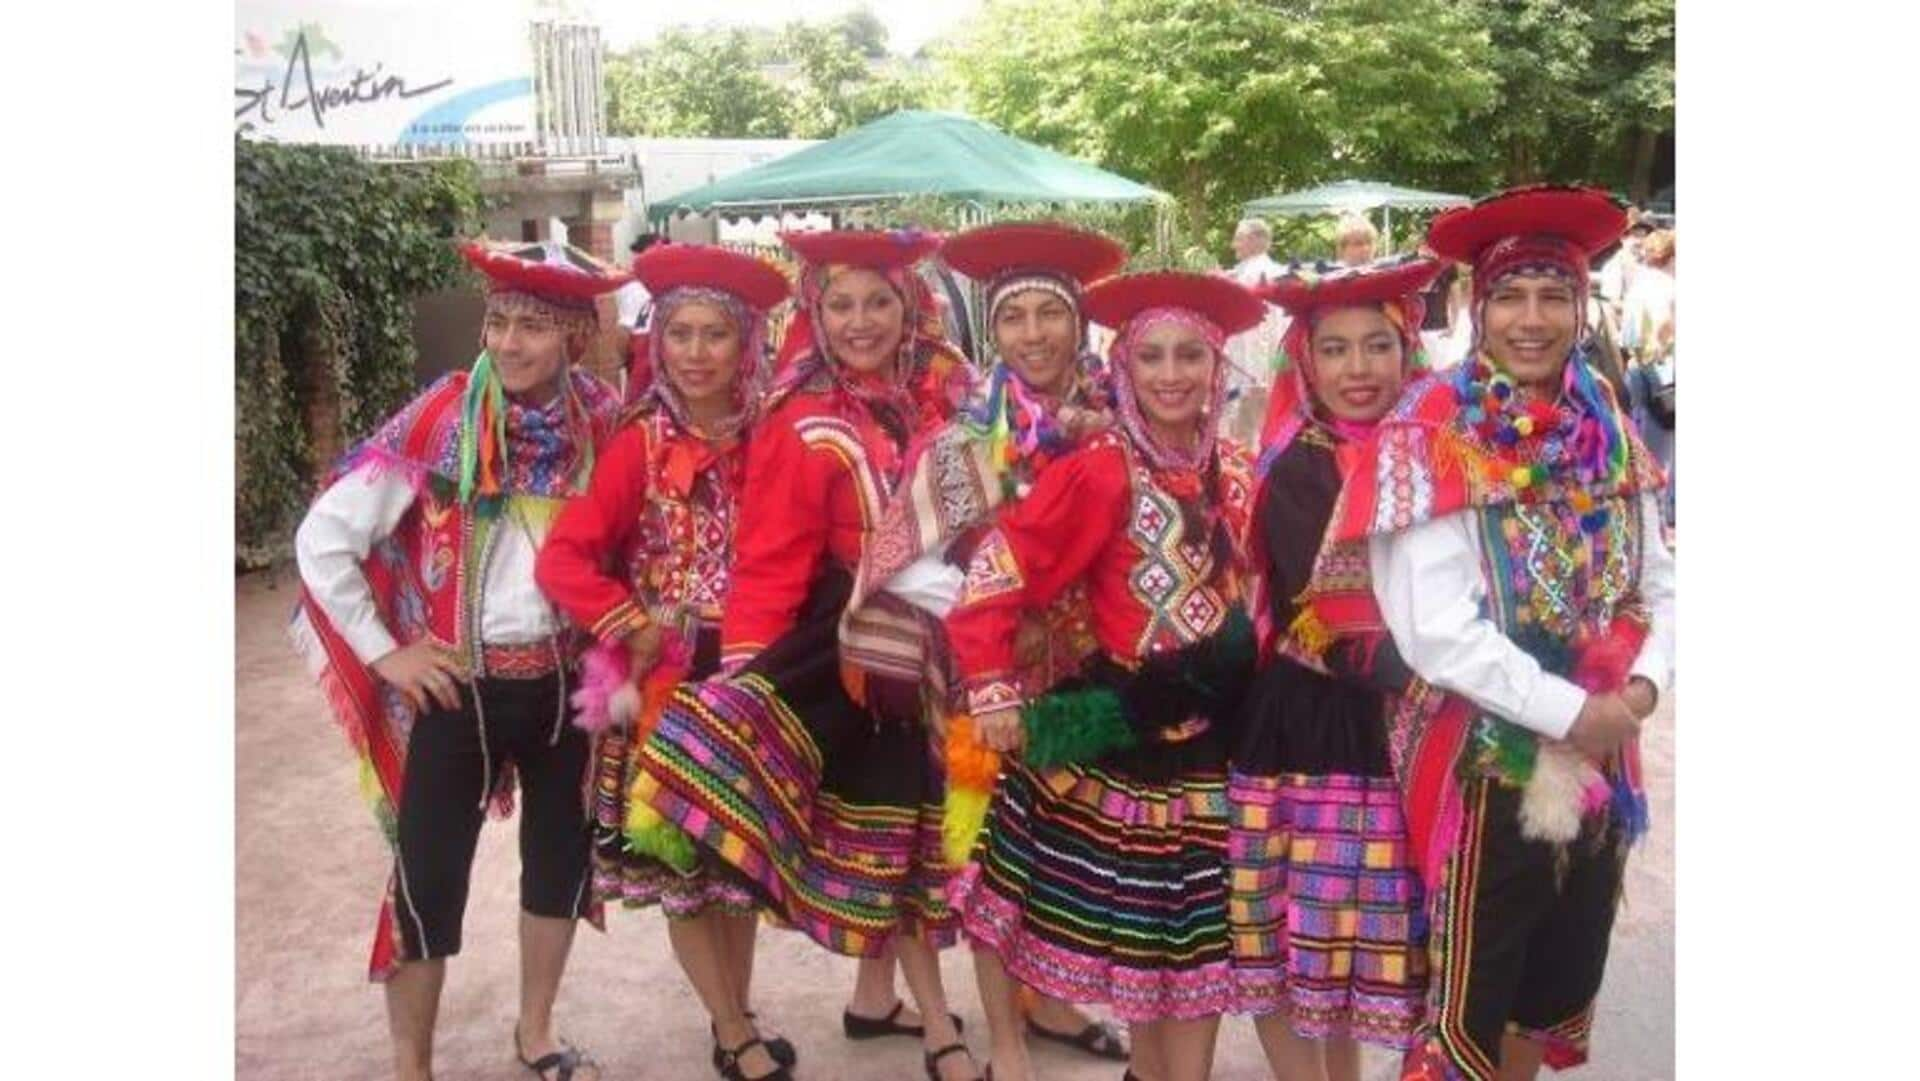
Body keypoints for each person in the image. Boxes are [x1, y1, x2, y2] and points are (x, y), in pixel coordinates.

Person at [1311, 186, 1675, 1081]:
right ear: (1477, 306)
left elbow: (1661, 579)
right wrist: (1569, 711)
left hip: (1602, 751)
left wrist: (1642, 690)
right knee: (1470, 997)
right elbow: (1434, 628)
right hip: (1482, 759)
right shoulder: (1430, 430)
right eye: (1511, 295)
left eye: (1554, 296)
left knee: (1551, 980)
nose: (1533, 319)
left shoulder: (1611, 429)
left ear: (1581, 307)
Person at [628, 228, 983, 1081]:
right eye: (841, 303)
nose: (861, 321)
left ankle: (897, 1009)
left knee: (921, 841)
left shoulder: (947, 401)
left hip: (940, 653)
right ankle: (936, 1026)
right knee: (895, 840)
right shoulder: (800, 417)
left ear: (911, 307)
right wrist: (747, 688)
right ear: (815, 314)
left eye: (879, 300)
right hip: (848, 656)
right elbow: (771, 561)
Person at [290, 240, 628, 1081]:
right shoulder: (445, 418)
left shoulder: (603, 423)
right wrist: (385, 651)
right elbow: (324, 536)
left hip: (564, 694)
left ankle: (537, 1032)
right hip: (455, 692)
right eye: (498, 322)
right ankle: (413, 1066)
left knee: (559, 863)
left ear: (576, 340)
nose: (508, 344)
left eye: (533, 328)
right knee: (426, 881)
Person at [944, 270, 1267, 1081]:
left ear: (1217, 365)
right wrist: (990, 687)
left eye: (1189, 354)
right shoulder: (1099, 467)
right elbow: (999, 568)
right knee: (1147, 950)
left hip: (1216, 746)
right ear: (1121, 366)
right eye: (1150, 356)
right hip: (1125, 737)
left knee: (1197, 957)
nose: (1170, 375)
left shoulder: (1236, 466)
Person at [838, 221, 1135, 1071]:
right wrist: (1003, 610)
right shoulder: (962, 441)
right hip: (984, 688)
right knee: (994, 859)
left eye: (1051, 314)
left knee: (1073, 853)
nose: (1034, 334)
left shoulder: (1120, 427)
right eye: (1015, 319)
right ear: (991, 333)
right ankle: (1006, 1037)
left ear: (1080, 325)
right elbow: (899, 563)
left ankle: (1056, 1002)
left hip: (1087, 682)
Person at [532, 243, 798, 1080]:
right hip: (669, 682)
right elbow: (565, 558)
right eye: (678, 332)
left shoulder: (777, 434)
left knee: (738, 864)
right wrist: (629, 618)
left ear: (746, 341)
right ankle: (730, 1029)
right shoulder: (638, 443)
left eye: (714, 333)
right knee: (686, 864)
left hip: (753, 673)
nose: (694, 351)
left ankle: (738, 1013)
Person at [1229, 258, 1443, 1081]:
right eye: (1337, 349)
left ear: (1408, 351)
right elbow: (1317, 615)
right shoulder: (1299, 467)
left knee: (1358, 944)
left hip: (1398, 714)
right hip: (1317, 720)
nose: (1359, 369)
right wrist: (1437, 677)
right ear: (1305, 361)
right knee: (1300, 938)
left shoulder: (1432, 454)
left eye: (1378, 346)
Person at [1621, 230, 1675, 527]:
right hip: (1665, 371)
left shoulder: (1638, 287)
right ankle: (1660, 519)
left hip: (1636, 367)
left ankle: (1641, 513)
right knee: (1665, 449)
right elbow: (1668, 324)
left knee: (1639, 445)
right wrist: (1662, 343)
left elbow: (1626, 334)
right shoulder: (1671, 287)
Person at [1225, 217, 1290, 444]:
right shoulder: (1277, 273)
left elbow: (1260, 332)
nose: (1234, 245)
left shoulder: (1254, 276)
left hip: (1251, 369)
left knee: (1247, 432)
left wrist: (1255, 373)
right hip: (1267, 366)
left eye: (1239, 239)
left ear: (1255, 240)